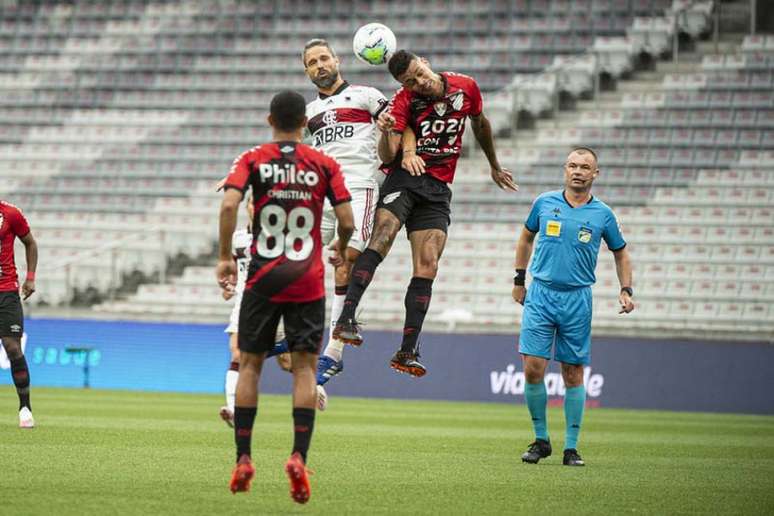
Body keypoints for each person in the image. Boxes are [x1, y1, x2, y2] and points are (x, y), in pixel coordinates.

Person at [332, 49, 518, 377]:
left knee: (428, 264)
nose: (419, 82)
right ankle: (345, 319)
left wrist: (494, 166)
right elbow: (387, 154)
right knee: (383, 237)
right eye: (410, 81)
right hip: (404, 180)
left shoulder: (466, 87)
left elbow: (480, 123)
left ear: (427, 63)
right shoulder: (404, 100)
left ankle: (407, 350)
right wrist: (393, 136)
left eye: (420, 73)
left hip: (437, 191)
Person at [216, 90, 354, 503]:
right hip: (307, 279)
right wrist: (340, 247)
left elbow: (228, 205)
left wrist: (225, 256)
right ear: (305, 123)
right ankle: (298, 456)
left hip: (262, 277)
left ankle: (243, 458)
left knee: (251, 366)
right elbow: (346, 219)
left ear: (269, 119)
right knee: (305, 370)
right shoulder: (325, 163)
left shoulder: (253, 158)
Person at [512, 147, 634, 467]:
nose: (577, 171)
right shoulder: (544, 203)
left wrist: (626, 289)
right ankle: (541, 439)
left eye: (585, 167)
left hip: (577, 297)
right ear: (565, 170)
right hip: (540, 294)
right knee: (532, 367)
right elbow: (525, 238)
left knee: (573, 373)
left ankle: (571, 447)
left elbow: (620, 252)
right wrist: (518, 279)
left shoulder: (603, 214)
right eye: (572, 165)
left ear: (595, 174)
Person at [303, 38, 395, 409]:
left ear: (337, 60)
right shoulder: (309, 111)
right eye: (312, 62)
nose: (319, 65)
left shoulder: (366, 95)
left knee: (348, 258)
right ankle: (309, 353)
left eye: (324, 57)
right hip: (319, 192)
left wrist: (390, 129)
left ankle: (336, 349)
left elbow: (397, 125)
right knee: (298, 261)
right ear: (307, 70)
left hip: (357, 186)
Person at [219, 192, 292, 428]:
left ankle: (317, 383)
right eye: (253, 202)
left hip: (275, 305)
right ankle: (232, 409)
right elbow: (234, 271)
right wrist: (229, 287)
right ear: (247, 207)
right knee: (237, 353)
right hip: (245, 304)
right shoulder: (238, 238)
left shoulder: (280, 238)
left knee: (289, 363)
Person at [0, 200, 38, 428]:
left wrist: (30, 277)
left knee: (12, 347)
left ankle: (25, 407)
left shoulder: (10, 213)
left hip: (6, 291)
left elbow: (30, 243)